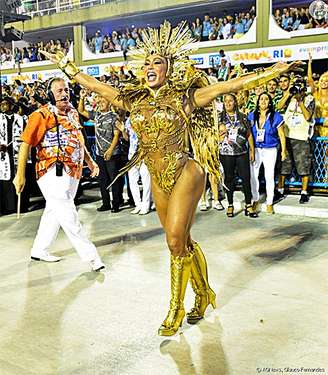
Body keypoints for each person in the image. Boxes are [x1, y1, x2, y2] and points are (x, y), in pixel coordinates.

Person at [42, 21, 301, 336]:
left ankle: (175, 309)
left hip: (185, 171)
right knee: (182, 242)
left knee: (174, 240)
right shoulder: (133, 100)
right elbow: (97, 87)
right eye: (147, 63)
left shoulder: (186, 97)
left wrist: (272, 72)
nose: (151, 67)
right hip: (157, 177)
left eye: (158, 62)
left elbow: (228, 88)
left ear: (169, 68)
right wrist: (66, 65)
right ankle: (204, 293)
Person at [13, 78, 105, 272]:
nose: (64, 94)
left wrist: (89, 161)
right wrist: (20, 175)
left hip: (73, 171)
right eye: (59, 91)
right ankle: (91, 256)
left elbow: (78, 139)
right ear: (50, 95)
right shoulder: (40, 115)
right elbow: (25, 144)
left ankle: (39, 249)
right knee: (68, 212)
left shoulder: (72, 112)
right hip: (50, 172)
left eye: (66, 90)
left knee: (55, 211)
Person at [78, 89, 124, 212]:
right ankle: (106, 203)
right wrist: (82, 97)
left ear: (109, 102)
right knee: (102, 180)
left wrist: (110, 150)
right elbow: (81, 111)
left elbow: (116, 135)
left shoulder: (114, 117)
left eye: (103, 100)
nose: (101, 102)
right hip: (99, 154)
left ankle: (116, 203)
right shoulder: (96, 114)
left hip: (113, 154)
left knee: (114, 179)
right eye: (99, 99)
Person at [277, 77, 315, 203]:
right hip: (287, 136)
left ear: (304, 88)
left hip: (301, 137)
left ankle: (304, 192)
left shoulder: (310, 99)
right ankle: (280, 190)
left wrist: (300, 101)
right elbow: (278, 106)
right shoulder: (290, 98)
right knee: (284, 165)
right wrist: (288, 93)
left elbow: (308, 116)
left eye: (299, 86)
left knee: (303, 166)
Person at [219, 94, 256, 218]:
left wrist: (252, 150)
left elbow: (249, 134)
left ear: (235, 102)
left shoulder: (243, 117)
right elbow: (213, 136)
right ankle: (230, 204)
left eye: (230, 101)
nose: (228, 103)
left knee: (246, 178)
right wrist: (220, 134)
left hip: (242, 152)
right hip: (226, 152)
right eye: (226, 101)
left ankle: (248, 205)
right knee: (229, 178)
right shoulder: (219, 118)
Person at [248, 93, 287, 214]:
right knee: (253, 175)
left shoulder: (276, 116)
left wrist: (284, 151)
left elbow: (281, 134)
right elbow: (248, 134)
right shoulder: (251, 116)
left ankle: (269, 202)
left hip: (270, 149)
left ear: (270, 102)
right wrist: (251, 149)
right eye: (261, 99)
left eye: (266, 99)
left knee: (269, 175)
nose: (263, 101)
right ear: (258, 102)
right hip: (256, 149)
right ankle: (255, 199)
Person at [0, 97, 29, 215]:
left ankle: (21, 205)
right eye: (1, 104)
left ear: (11, 106)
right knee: (5, 179)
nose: (2, 106)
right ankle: (7, 206)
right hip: (4, 155)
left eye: (5, 104)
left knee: (18, 176)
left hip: (17, 153)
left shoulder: (20, 119)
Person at [117, 117, 151, 215]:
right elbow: (127, 138)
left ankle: (146, 205)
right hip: (132, 155)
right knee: (132, 181)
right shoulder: (129, 120)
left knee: (146, 181)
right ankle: (138, 204)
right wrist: (123, 131)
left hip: (144, 155)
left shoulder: (145, 117)